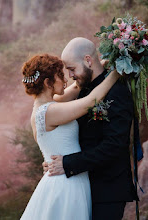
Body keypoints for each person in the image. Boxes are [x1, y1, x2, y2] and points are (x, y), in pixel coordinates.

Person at [44, 37, 140, 220]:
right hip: (82, 187)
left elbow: (114, 145)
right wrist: (54, 162)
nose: (70, 75)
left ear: (88, 60)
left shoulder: (117, 91)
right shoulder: (84, 89)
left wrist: (67, 163)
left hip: (107, 190)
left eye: (72, 69)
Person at [19, 53, 120, 220]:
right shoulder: (49, 112)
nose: (66, 80)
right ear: (47, 83)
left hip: (66, 178)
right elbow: (91, 101)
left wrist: (100, 63)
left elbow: (77, 87)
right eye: (60, 75)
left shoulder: (45, 106)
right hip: (66, 185)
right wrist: (117, 72)